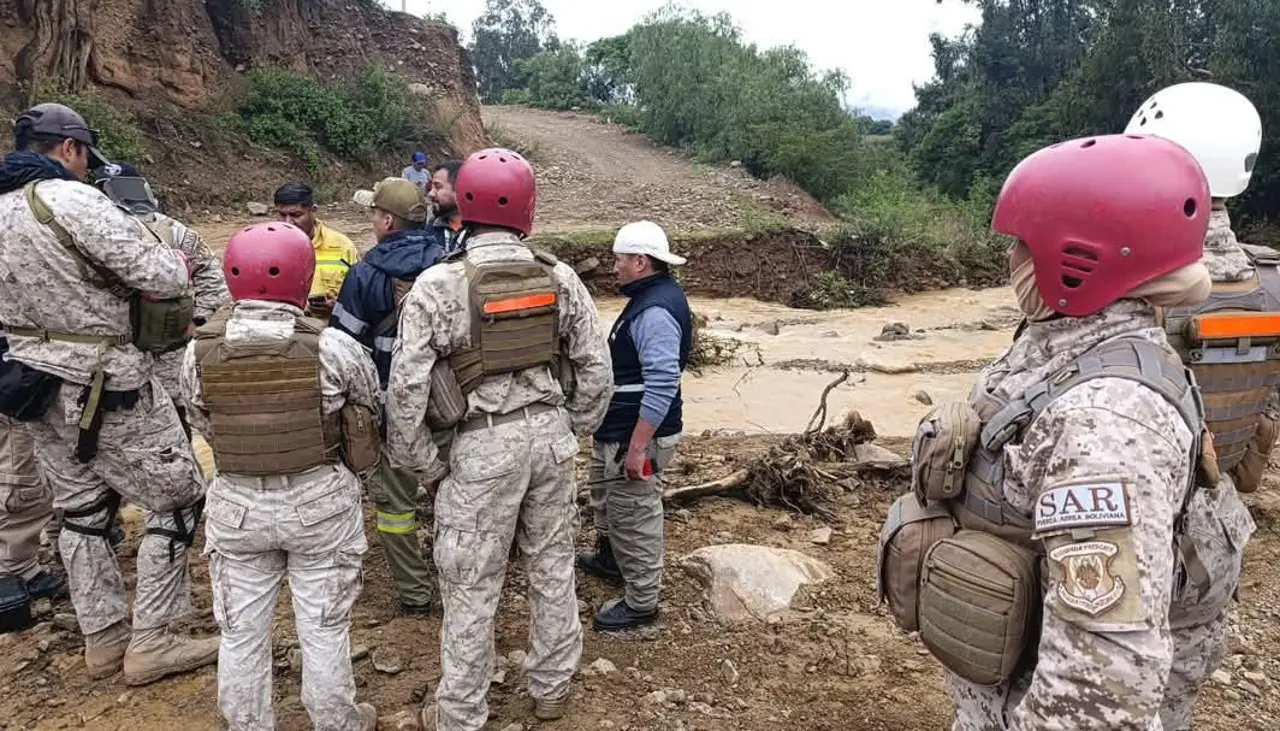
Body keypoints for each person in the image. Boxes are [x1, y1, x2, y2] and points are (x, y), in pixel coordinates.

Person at [877, 133, 1230, 729]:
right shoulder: (1059, 349)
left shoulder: (1107, 423)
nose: (1009, 258)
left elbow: (1103, 684)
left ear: (1075, 259)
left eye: (1020, 243)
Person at [384, 148, 613, 730]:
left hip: (480, 445)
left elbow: (406, 392)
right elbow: (596, 371)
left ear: (463, 204)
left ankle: (462, 713)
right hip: (550, 437)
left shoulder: (437, 285)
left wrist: (427, 467)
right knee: (553, 566)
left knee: (470, 583)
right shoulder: (558, 277)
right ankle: (552, 689)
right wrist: (574, 426)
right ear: (527, 209)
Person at [0, 102, 216, 683]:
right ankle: (154, 639)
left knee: (81, 509)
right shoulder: (72, 200)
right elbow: (166, 276)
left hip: (27, 387)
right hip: (109, 382)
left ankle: (103, 638)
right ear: (68, 149)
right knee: (179, 497)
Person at [182, 222, 381, 731]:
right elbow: (368, 412)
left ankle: (249, 724)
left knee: (241, 632)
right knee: (323, 625)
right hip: (320, 500)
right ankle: (338, 721)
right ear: (303, 275)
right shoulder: (332, 347)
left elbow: (202, 420)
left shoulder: (198, 352)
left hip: (236, 504)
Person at [1124, 81, 1266, 730]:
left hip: (1126, 532)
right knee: (1170, 703)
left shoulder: (1128, 287)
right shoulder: (1269, 283)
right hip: (1216, 538)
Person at [333, 177, 444, 615]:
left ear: (385, 220)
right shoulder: (450, 264)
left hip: (389, 409)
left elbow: (344, 351)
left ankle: (415, 595)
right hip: (449, 407)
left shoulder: (364, 274)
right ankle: (459, 575)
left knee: (396, 507)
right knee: (449, 490)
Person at [578, 221, 690, 632]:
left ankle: (642, 602)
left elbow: (662, 383)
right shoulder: (650, 298)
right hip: (619, 430)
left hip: (635, 434)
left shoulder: (655, 311)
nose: (614, 267)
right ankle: (611, 560)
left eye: (619, 260)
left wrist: (638, 447)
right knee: (608, 498)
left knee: (635, 513)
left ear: (640, 262)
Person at [94, 162, 231, 436]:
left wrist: (199, 320)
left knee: (175, 432)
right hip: (115, 357)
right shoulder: (93, 233)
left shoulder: (173, 232)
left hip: (167, 353)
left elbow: (212, 276)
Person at [0, 326, 67, 616]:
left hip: (23, 369)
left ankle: (61, 534)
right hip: (14, 379)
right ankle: (15, 572)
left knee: (43, 468)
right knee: (21, 475)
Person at [274, 182, 360, 317]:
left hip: (326, 328)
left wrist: (336, 306)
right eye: (282, 215)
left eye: (295, 215)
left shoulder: (343, 247)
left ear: (313, 211)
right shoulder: (268, 248)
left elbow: (359, 298)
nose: (287, 222)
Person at [427, 160, 464, 253]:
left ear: (459, 188)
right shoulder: (430, 228)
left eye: (438, 187)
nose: (431, 194)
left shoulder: (480, 231)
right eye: (431, 188)